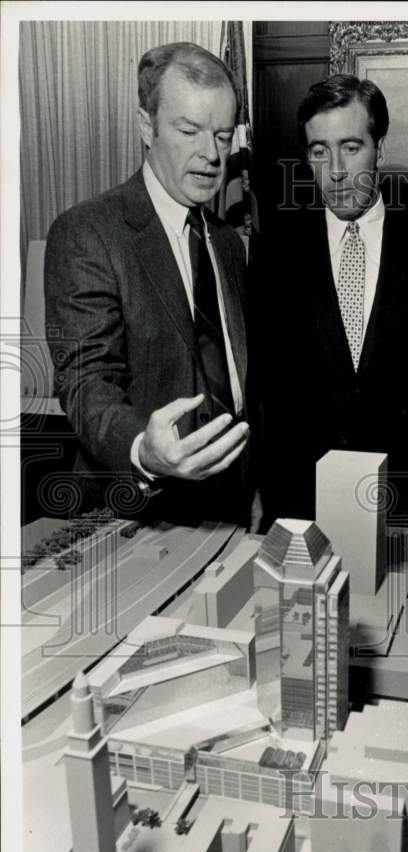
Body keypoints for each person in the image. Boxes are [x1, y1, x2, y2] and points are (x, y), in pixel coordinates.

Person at [45, 42, 261, 528]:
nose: (211, 155)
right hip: (136, 514)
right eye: (189, 131)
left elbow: (242, 376)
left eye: (223, 136)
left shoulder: (228, 243)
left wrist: (254, 482)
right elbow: (85, 381)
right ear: (147, 126)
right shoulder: (88, 232)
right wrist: (143, 448)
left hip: (230, 508)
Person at [258, 74, 408, 524]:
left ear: (379, 149)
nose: (336, 171)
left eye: (351, 147)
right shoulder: (274, 255)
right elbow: (266, 389)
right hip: (299, 504)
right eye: (319, 151)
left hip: (400, 505)